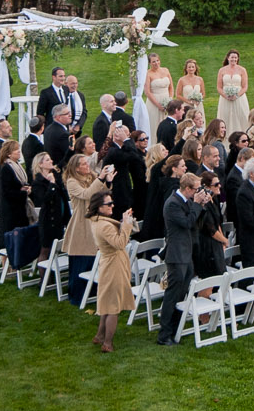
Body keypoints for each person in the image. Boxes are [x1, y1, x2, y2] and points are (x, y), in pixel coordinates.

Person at [88, 192, 136, 353]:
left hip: (110, 263)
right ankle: (107, 343)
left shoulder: (97, 221)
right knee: (114, 307)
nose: (112, 206)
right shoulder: (104, 225)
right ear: (99, 207)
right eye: (109, 204)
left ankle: (100, 336)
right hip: (113, 265)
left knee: (107, 304)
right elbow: (120, 243)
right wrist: (127, 225)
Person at [158, 172, 202, 344]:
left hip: (186, 253)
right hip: (177, 255)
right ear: (187, 188)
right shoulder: (172, 204)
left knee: (182, 293)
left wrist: (201, 205)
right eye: (196, 189)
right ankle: (164, 334)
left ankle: (175, 328)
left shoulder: (186, 201)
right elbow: (187, 223)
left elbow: (195, 221)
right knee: (173, 294)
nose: (198, 192)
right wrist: (197, 205)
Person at [62, 155, 108, 308]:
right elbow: (86, 194)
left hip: (95, 221)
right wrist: (100, 179)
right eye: (83, 164)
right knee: (80, 260)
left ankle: (93, 292)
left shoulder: (91, 177)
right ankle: (77, 295)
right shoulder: (72, 182)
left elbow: (104, 193)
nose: (87, 166)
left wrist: (108, 180)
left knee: (94, 260)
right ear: (76, 168)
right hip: (81, 225)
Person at [0, 140, 34, 270]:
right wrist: (23, 193)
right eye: (16, 150)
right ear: (9, 154)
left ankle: (17, 263)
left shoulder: (16, 165)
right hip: (10, 211)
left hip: (19, 208)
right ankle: (7, 266)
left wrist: (26, 189)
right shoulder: (7, 168)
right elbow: (7, 191)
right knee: (9, 239)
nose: (19, 152)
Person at [30, 153, 63, 274]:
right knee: (45, 249)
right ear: (41, 164)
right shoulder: (37, 182)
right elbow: (44, 199)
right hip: (47, 220)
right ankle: (44, 279)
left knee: (55, 248)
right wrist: (52, 184)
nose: (51, 161)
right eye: (48, 160)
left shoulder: (55, 175)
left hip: (58, 217)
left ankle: (53, 273)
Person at [143, 151, 187, 241]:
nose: (185, 168)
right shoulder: (172, 187)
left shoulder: (167, 183)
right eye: (182, 166)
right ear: (174, 169)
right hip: (164, 230)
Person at [193, 174, 228, 278]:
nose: (219, 186)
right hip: (206, 247)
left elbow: (217, 223)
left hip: (216, 244)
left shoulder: (214, 199)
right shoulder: (204, 204)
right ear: (207, 187)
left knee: (220, 276)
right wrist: (225, 240)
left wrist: (223, 241)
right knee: (210, 279)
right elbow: (210, 229)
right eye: (216, 184)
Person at [215, 50, 250, 135]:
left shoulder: (242, 70)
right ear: (228, 58)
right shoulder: (222, 70)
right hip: (225, 99)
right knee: (226, 117)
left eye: (235, 57)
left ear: (237, 59)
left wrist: (237, 95)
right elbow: (219, 87)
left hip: (239, 98)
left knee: (241, 117)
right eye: (232, 57)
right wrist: (225, 95)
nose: (233, 59)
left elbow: (245, 87)